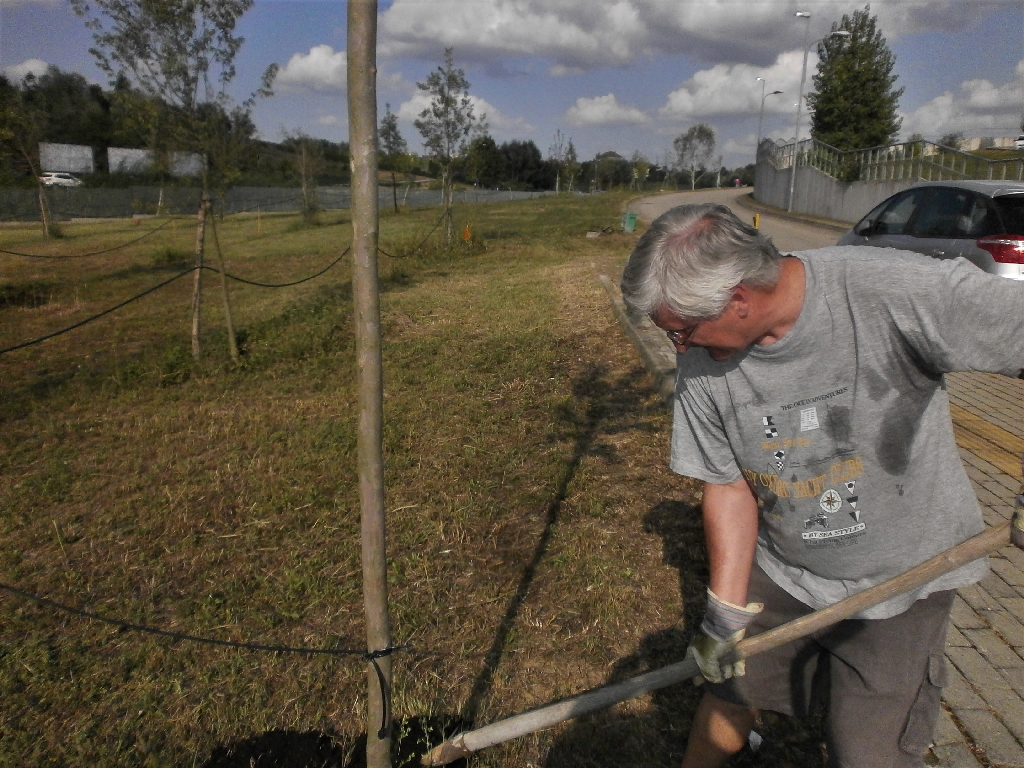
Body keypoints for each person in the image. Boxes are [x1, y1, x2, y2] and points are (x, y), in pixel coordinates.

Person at [619, 203, 1024, 768]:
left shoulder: (894, 291)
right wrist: (725, 616)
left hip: (903, 580)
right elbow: (730, 486)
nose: (678, 350)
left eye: (680, 332)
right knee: (728, 697)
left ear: (738, 299)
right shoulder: (703, 364)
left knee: (867, 753)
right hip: (786, 569)